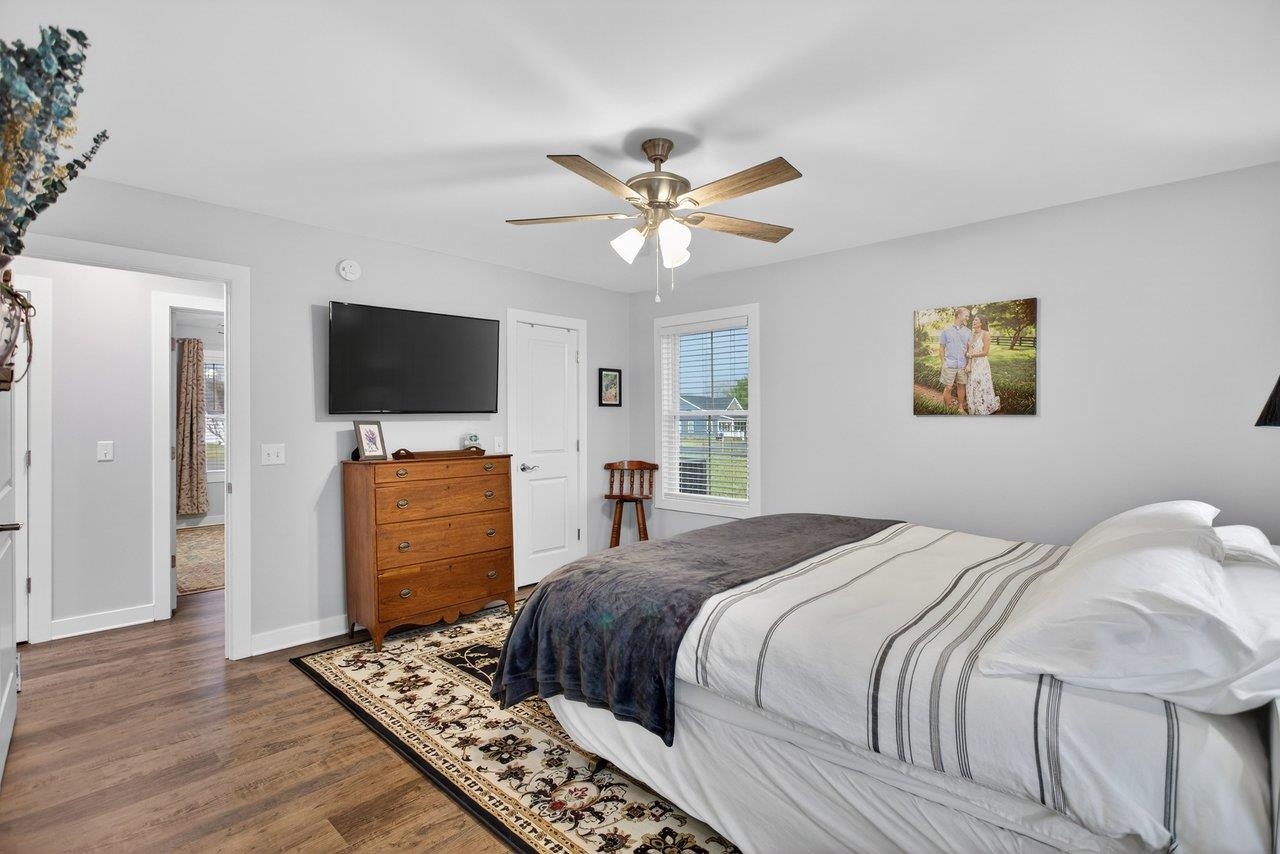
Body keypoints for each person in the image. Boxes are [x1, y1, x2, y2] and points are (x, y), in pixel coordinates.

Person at [966, 313, 1001, 415]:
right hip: (973, 363)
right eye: (973, 320)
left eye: (976, 320)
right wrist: (969, 364)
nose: (973, 321)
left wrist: (972, 355)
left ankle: (985, 408)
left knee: (982, 384)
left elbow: (985, 352)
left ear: (981, 323)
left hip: (982, 364)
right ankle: (975, 409)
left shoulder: (985, 334)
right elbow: (970, 351)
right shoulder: (972, 334)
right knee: (972, 384)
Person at [938, 307, 972, 414]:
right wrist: (943, 363)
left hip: (962, 364)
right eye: (966, 315)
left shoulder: (968, 332)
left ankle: (960, 408)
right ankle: (947, 409)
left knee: (961, 386)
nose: (968, 318)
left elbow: (969, 348)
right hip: (949, 364)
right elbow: (941, 347)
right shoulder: (946, 331)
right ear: (959, 315)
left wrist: (968, 364)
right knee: (948, 387)